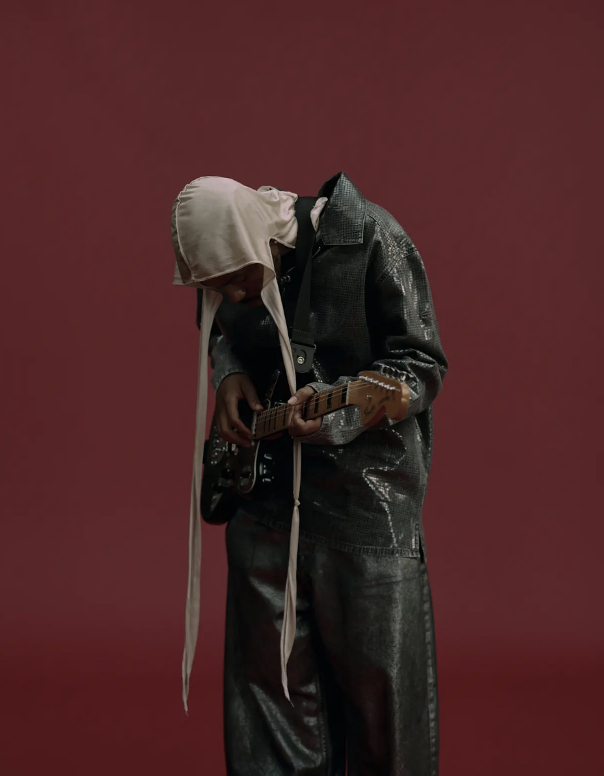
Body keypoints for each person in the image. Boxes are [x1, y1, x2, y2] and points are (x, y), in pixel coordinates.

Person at [171, 172, 448, 775]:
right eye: (218, 286)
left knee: (385, 713)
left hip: (365, 511)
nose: (233, 295)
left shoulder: (372, 237)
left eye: (239, 279)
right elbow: (216, 317)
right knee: (267, 710)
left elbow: (421, 365)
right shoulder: (230, 268)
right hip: (263, 510)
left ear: (260, 241)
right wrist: (228, 372)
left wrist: (341, 409)